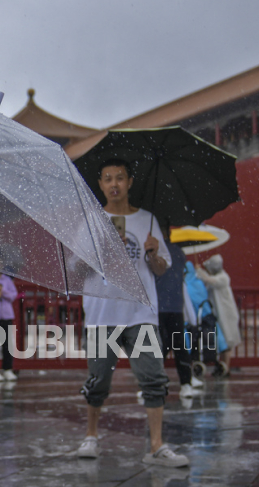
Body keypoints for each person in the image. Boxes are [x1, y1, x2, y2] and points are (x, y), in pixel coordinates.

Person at [76, 158, 189, 468]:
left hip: (140, 313)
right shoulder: (92, 221)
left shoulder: (148, 221)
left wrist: (153, 253)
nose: (114, 184)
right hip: (102, 314)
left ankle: (156, 446)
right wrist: (102, 248)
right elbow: (76, 269)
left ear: (130, 182)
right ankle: (91, 435)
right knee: (98, 380)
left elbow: (161, 269)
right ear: (99, 184)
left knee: (153, 378)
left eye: (120, 178)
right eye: (108, 178)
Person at [155, 223, 203, 397]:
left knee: (159, 345)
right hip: (175, 305)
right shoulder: (179, 252)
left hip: (159, 306)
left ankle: (155, 382)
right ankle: (185, 383)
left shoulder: (153, 251)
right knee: (179, 345)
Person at [196, 254, 241, 376]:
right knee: (222, 341)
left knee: (228, 340)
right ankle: (222, 366)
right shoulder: (216, 278)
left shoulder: (223, 278)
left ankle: (226, 367)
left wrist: (199, 271)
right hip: (220, 315)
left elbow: (211, 281)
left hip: (227, 315)